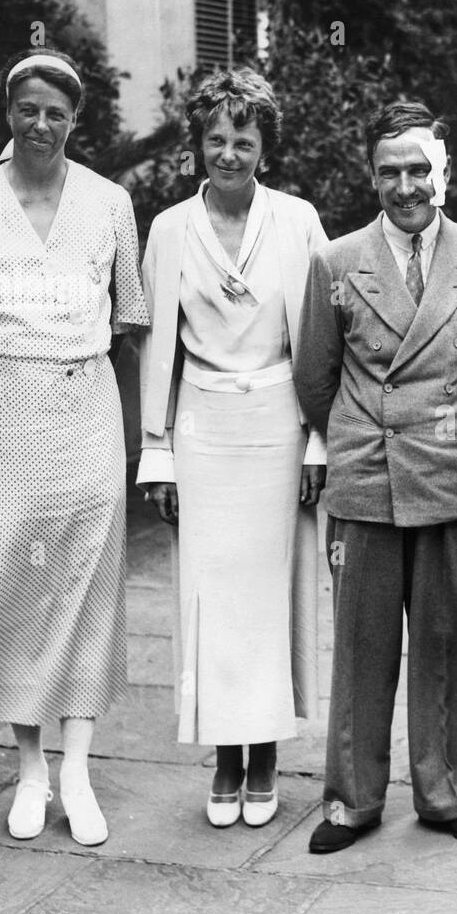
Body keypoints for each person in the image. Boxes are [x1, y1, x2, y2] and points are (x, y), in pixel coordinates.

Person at [0, 47, 149, 846]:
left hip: (87, 415)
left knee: (86, 586)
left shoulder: (112, 204)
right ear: (7, 112)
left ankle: (76, 769)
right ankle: (29, 771)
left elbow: (127, 322)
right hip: (3, 420)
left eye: (57, 111)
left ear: (75, 119)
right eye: (28, 109)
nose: (41, 123)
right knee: (13, 586)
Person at [296, 101, 457, 853]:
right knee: (360, 644)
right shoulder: (335, 261)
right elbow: (314, 376)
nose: (405, 185)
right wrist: (359, 436)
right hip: (366, 473)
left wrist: (450, 431)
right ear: (372, 176)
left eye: (418, 168)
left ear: (443, 172)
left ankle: (448, 792)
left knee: (447, 638)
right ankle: (353, 798)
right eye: (389, 170)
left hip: (450, 471)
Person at [136, 68, 327, 828]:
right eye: (215, 138)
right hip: (204, 430)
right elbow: (157, 349)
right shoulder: (169, 229)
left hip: (281, 424)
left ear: (264, 146)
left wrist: (319, 439)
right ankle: (224, 759)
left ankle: (267, 758)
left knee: (274, 591)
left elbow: (317, 338)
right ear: (198, 146)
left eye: (243, 138)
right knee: (210, 599)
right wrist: (158, 451)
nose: (228, 152)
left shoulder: (299, 220)